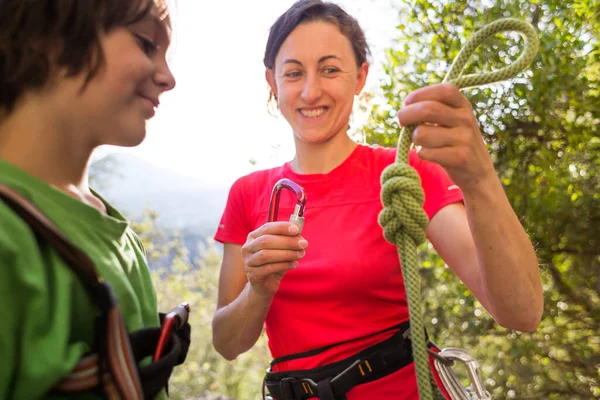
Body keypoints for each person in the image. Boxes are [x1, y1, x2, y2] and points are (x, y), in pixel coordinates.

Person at [212, 0, 543, 398]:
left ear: (360, 77)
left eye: (330, 69)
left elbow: (521, 312)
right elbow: (227, 343)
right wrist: (259, 289)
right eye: (294, 73)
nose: (310, 90)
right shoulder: (248, 194)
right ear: (272, 82)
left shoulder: (404, 175)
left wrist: (480, 179)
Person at [0, 1, 188, 399]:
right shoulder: (9, 237)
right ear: (48, 39)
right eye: (145, 44)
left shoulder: (115, 230)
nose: (168, 78)